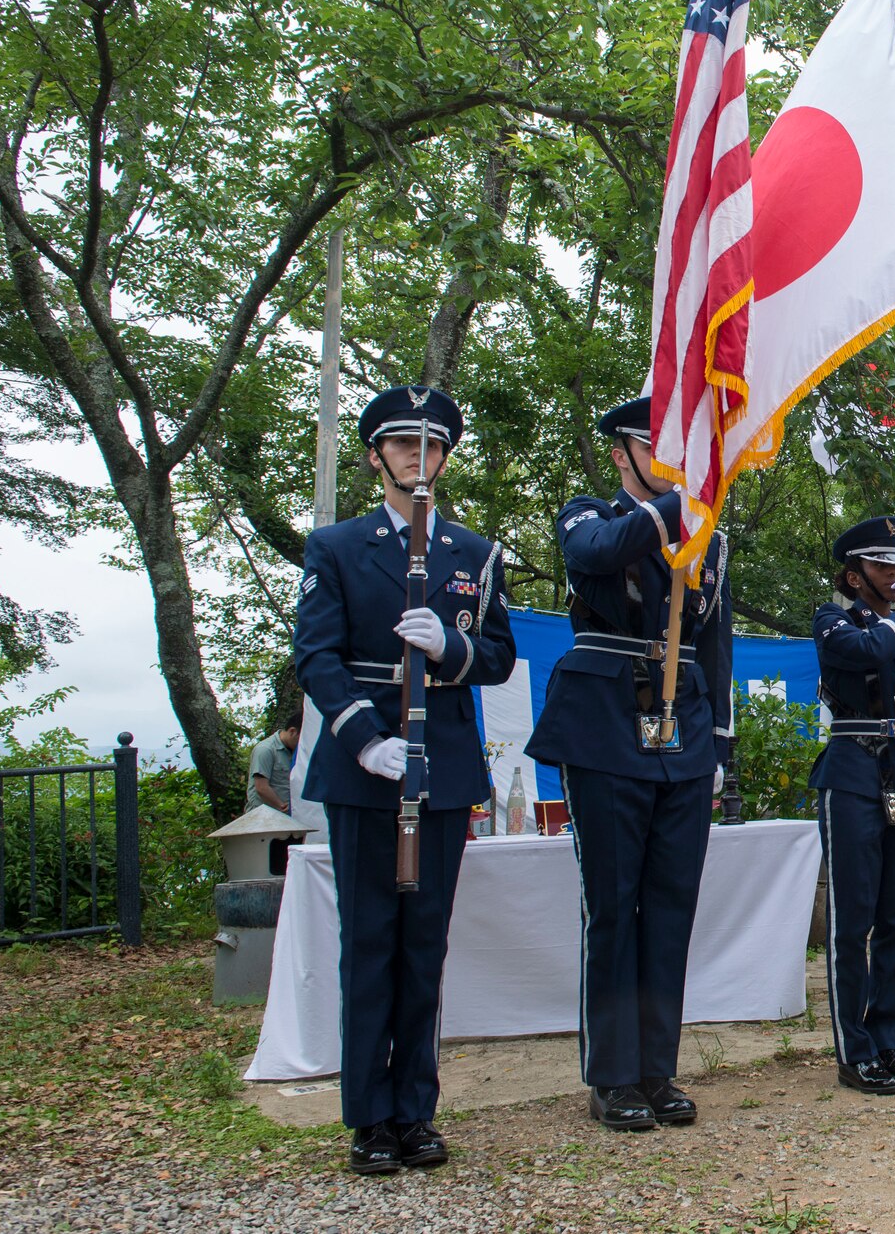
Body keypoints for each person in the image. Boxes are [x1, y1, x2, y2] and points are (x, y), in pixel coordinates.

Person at [294, 385, 516, 1175]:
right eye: (402, 444)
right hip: (366, 771)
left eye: (431, 446)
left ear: (446, 457)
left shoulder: (474, 554)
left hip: (444, 768)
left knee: (425, 945)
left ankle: (416, 1110)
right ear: (376, 455)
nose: (417, 458)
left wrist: (450, 654)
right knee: (370, 942)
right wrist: (361, 737)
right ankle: (369, 1117)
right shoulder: (337, 547)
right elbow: (315, 655)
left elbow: (496, 655)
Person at [525, 396, 732, 1133]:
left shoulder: (706, 533)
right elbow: (592, 556)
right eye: (657, 444)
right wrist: (669, 510)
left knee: (670, 905)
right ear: (623, 453)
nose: (672, 456)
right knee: (613, 904)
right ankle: (612, 1074)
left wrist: (718, 752)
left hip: (684, 729)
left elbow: (714, 645)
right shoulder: (590, 512)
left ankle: (656, 1067)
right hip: (606, 723)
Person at [810, 516, 895, 1096]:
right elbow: (862, 653)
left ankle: (888, 1037)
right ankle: (853, 1048)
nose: (893, 572)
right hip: (854, 773)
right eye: (881, 564)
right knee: (853, 919)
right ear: (854, 574)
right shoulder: (833, 619)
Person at [245, 712, 301, 813]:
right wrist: (282, 806)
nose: (302, 744)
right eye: (301, 739)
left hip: (284, 817)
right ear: (292, 731)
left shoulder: (294, 752)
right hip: (262, 818)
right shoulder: (265, 749)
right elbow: (261, 787)